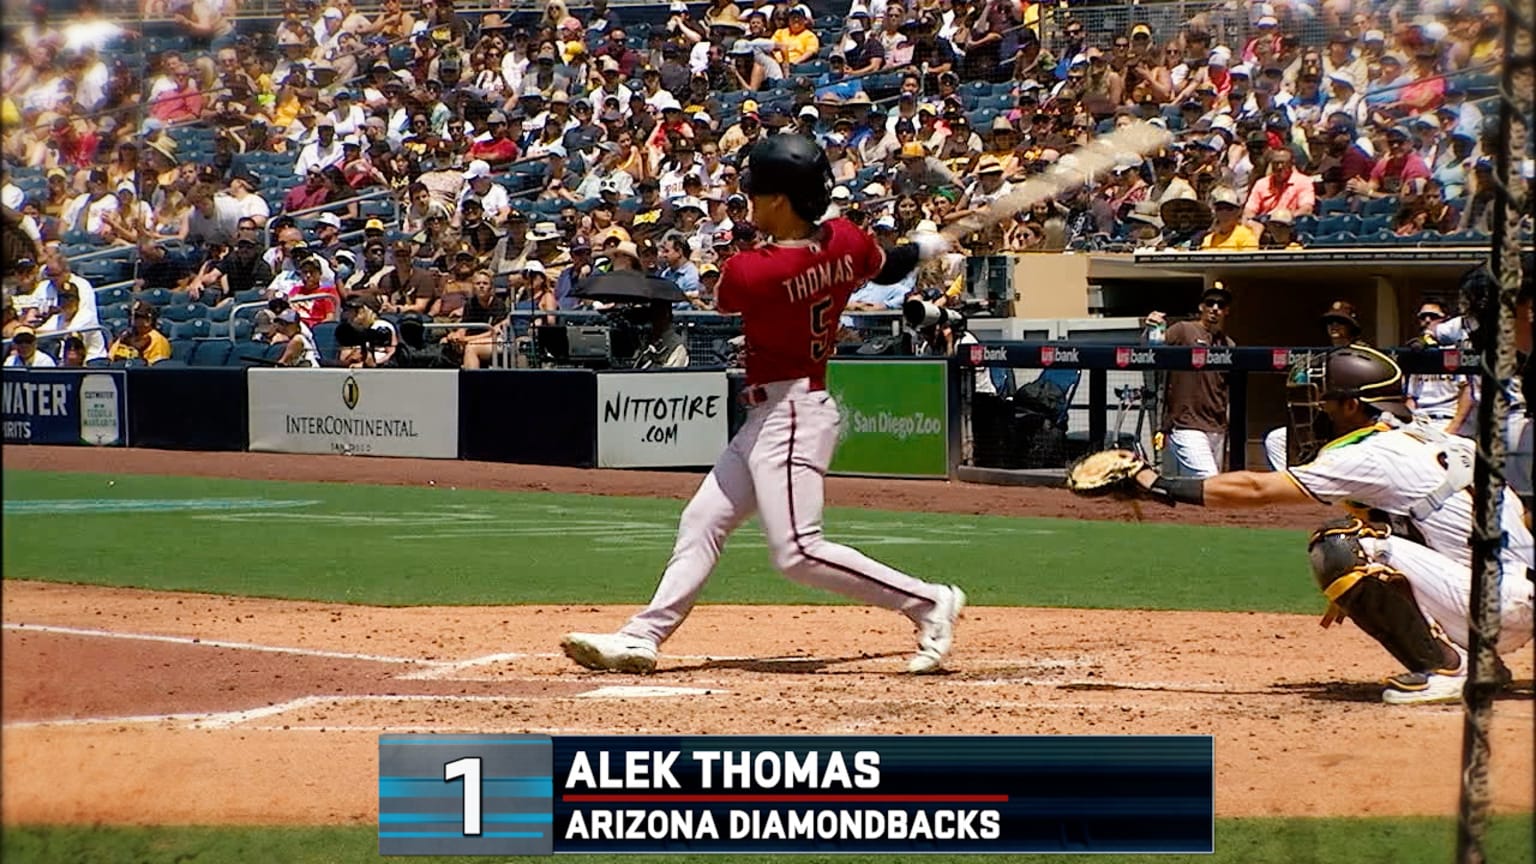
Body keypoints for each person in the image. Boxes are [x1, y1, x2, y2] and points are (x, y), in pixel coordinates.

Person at [561, 134, 966, 675]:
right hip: (775, 412)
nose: (749, 200)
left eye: (758, 193)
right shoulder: (845, 238)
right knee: (702, 519)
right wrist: (921, 249)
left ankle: (929, 601)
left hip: (793, 412)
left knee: (797, 550)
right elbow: (883, 266)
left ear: (780, 199)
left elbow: (730, 294)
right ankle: (643, 636)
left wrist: (906, 252)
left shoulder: (755, 271)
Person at [1121, 346, 1533, 705]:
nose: (1317, 410)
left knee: (1340, 545)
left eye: (1326, 401)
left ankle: (1446, 670)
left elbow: (1256, 488)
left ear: (1353, 405)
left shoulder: (1369, 453)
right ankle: (1481, 662)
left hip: (1493, 604)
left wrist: (1155, 485)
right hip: (1511, 597)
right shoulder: (1444, 440)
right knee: (1377, 539)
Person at [1145, 283, 1235, 477]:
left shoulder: (1229, 344)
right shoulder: (1183, 330)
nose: (1215, 308)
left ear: (1226, 311)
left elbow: (1227, 389)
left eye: (1221, 304)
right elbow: (1151, 351)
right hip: (1185, 424)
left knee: (1211, 485)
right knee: (1209, 478)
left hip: (1216, 426)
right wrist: (1151, 329)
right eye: (1210, 303)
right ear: (1201, 307)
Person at [1264, 300, 1365, 469]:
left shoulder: (1362, 354)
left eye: (1340, 322)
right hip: (1324, 420)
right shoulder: (1323, 357)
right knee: (1276, 440)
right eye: (1330, 322)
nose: (1333, 326)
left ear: (1351, 326)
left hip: (1354, 421)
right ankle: (1295, 487)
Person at [108, 301, 173, 364]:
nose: (131, 319)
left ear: (148, 321)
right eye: (130, 315)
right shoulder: (125, 335)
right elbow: (110, 358)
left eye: (136, 317)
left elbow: (156, 370)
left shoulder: (158, 341)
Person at [631, 300, 690, 369]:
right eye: (653, 313)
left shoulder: (677, 346)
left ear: (668, 316)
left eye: (659, 314)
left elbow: (671, 374)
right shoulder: (646, 340)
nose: (656, 318)